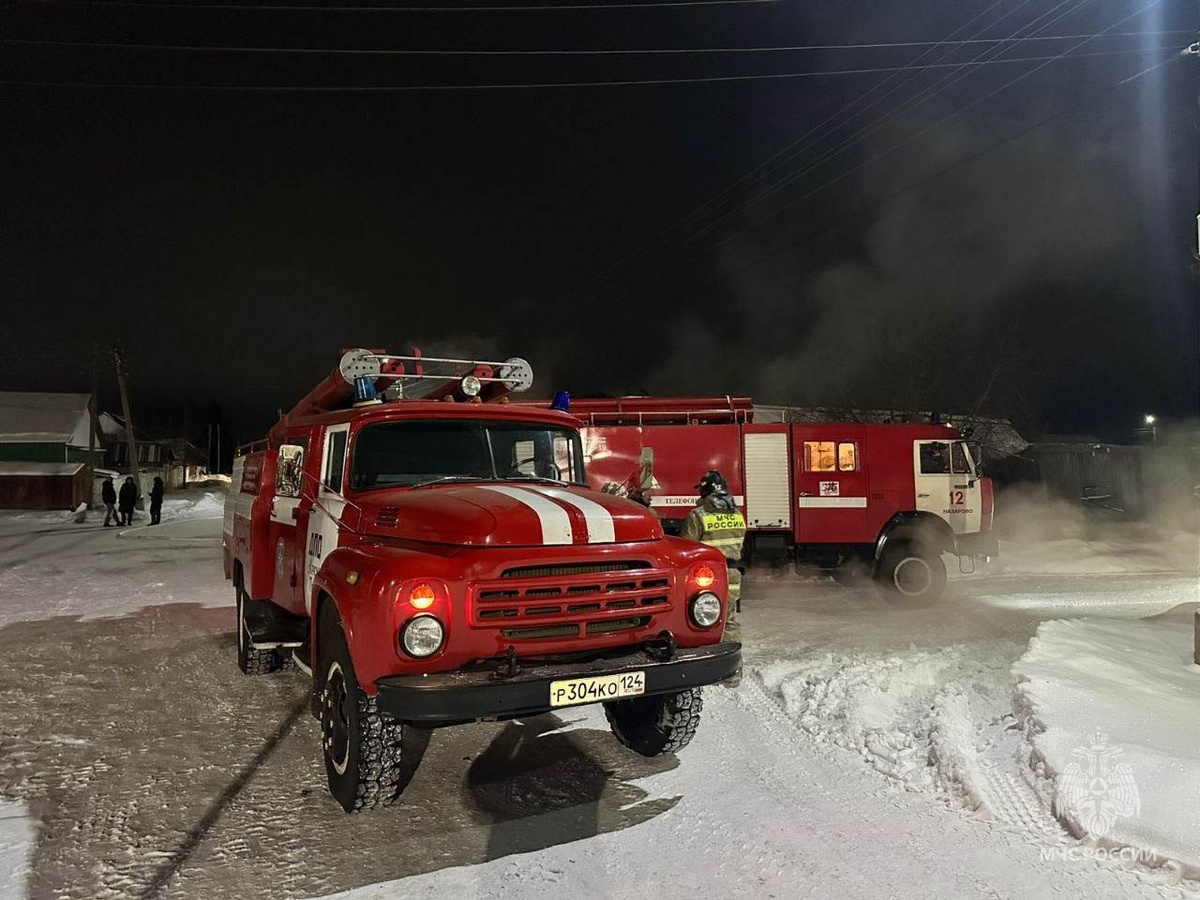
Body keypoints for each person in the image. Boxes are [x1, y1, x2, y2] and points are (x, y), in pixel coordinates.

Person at [681, 469, 746, 644]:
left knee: (703, 619)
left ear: (705, 491)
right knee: (729, 619)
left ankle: (709, 661)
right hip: (732, 574)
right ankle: (732, 657)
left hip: (707, 576)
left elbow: (687, 549)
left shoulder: (698, 515)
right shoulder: (737, 514)